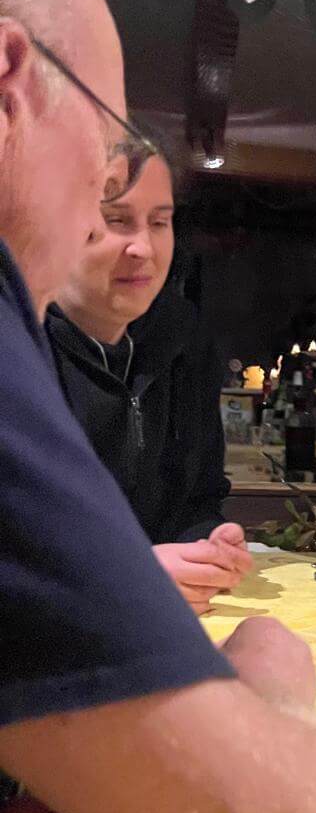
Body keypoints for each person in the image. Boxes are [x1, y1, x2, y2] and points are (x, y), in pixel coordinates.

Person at [0, 0, 316, 813]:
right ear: (10, 83)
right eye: (105, 161)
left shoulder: (176, 344)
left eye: (155, 215)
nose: (113, 232)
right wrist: (269, 674)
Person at [47, 149, 253, 615]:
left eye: (159, 222)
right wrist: (127, 576)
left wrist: (207, 546)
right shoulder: (15, 342)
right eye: (116, 220)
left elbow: (199, 497)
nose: (143, 248)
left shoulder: (183, 338)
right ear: (50, 221)